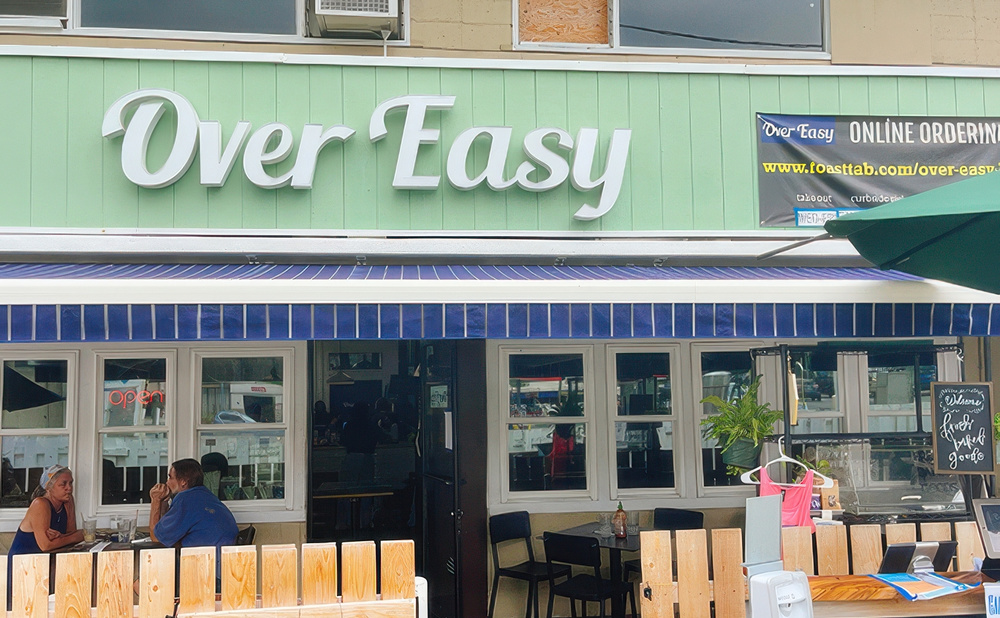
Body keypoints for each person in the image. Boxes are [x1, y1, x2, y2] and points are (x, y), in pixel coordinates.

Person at [148, 458, 238, 585]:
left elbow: (156, 537)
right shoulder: (205, 496)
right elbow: (168, 530)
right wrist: (163, 503)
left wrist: (155, 500)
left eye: (170, 477)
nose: (167, 482)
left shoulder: (185, 500)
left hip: (205, 574)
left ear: (183, 482)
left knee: (144, 581)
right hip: (225, 570)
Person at [7, 464, 83, 608]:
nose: (69, 488)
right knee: (26, 608)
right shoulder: (40, 504)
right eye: (63, 484)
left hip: (45, 565)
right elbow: (46, 545)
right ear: (49, 487)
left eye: (71, 483)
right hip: (24, 566)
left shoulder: (67, 502)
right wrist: (77, 536)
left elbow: (70, 537)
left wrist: (66, 536)